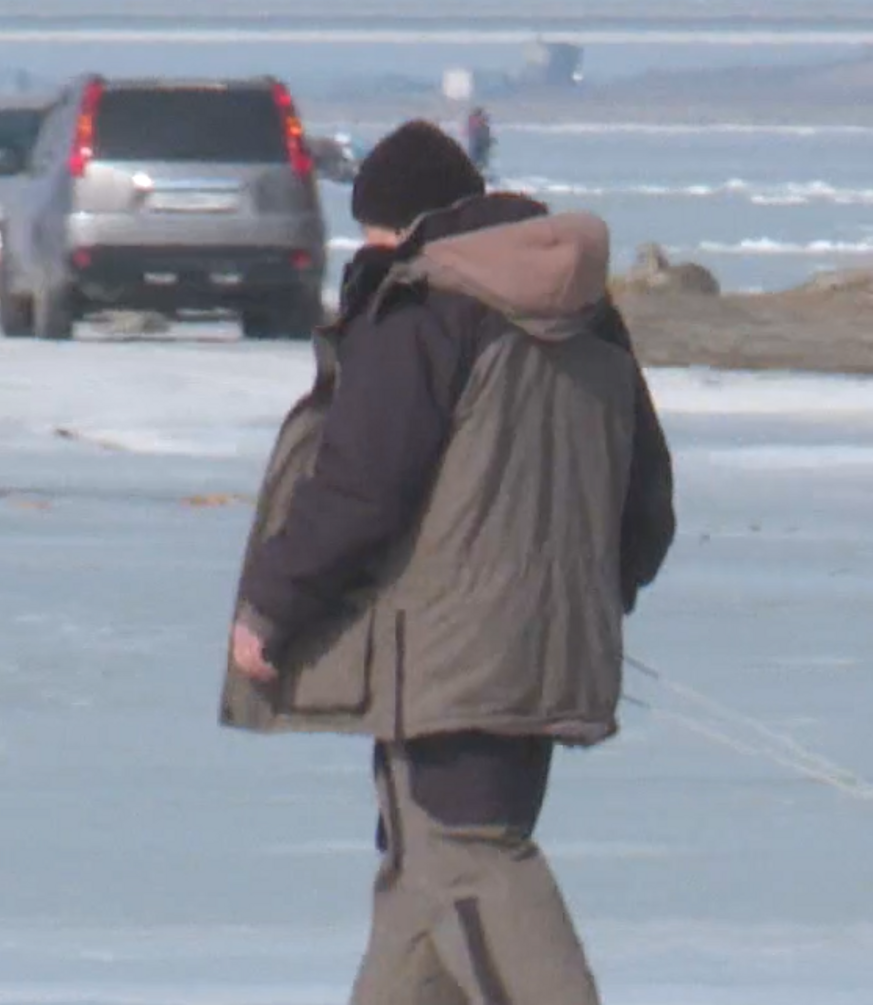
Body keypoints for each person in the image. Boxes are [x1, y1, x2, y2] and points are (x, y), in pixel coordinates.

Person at [219, 117, 677, 1005]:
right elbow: (647, 493)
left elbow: (361, 484)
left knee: (467, 856)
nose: (372, 255)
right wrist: (589, 595)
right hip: (544, 640)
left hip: (448, 644)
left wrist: (272, 602)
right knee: (422, 872)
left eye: (376, 238)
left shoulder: (429, 308)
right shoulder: (590, 319)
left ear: (407, 227)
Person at [465, 106, 494, 172]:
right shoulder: (476, 122)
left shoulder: (475, 122)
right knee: (479, 159)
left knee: (479, 159)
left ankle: (478, 171)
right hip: (478, 144)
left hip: (479, 144)